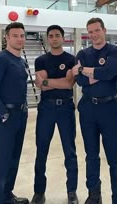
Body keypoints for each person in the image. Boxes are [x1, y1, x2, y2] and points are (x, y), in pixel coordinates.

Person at [72, 17, 117, 204]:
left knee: (115, 158)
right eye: (91, 31)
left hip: (109, 108)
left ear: (104, 30)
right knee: (91, 155)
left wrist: (84, 70)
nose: (94, 34)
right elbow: (79, 81)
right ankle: (94, 195)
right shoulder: (82, 52)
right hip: (87, 108)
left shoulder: (115, 51)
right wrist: (98, 73)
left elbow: (110, 72)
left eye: (97, 30)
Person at [30, 25, 78, 204]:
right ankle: (39, 192)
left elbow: (69, 84)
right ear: (48, 39)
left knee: (70, 151)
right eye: (51, 36)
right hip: (46, 109)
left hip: (66, 109)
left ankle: (71, 191)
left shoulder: (72, 59)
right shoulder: (41, 60)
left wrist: (49, 81)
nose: (54, 38)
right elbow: (41, 85)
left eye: (57, 35)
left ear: (63, 38)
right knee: (41, 150)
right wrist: (59, 81)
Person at [0, 22, 29, 204]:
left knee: (14, 159)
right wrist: (3, 114)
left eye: (22, 36)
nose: (20, 39)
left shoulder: (20, 60)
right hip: (5, 117)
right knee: (2, 162)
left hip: (20, 115)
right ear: (7, 38)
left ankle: (6, 196)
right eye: (15, 36)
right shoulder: (0, 60)